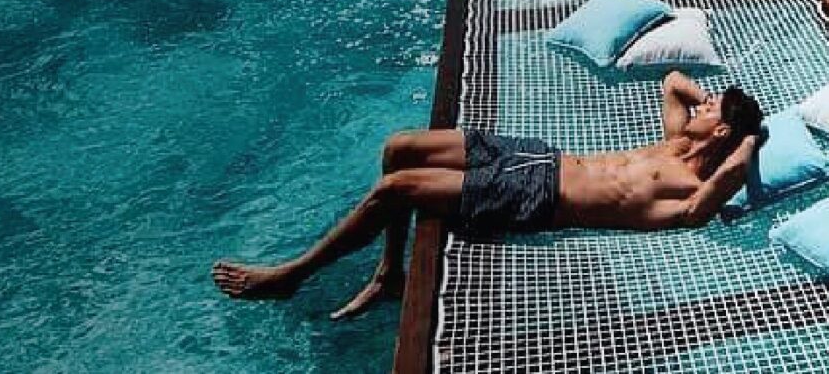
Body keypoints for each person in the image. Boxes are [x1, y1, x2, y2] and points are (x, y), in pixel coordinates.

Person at [212, 73, 764, 319]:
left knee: (395, 188)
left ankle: (294, 274)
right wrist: (718, 108)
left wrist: (749, 139)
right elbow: (673, 80)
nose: (701, 104)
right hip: (534, 155)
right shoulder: (674, 142)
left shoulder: (691, 191)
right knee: (398, 147)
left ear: (720, 133)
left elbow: (718, 191)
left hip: (533, 195)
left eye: (711, 107)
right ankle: (388, 273)